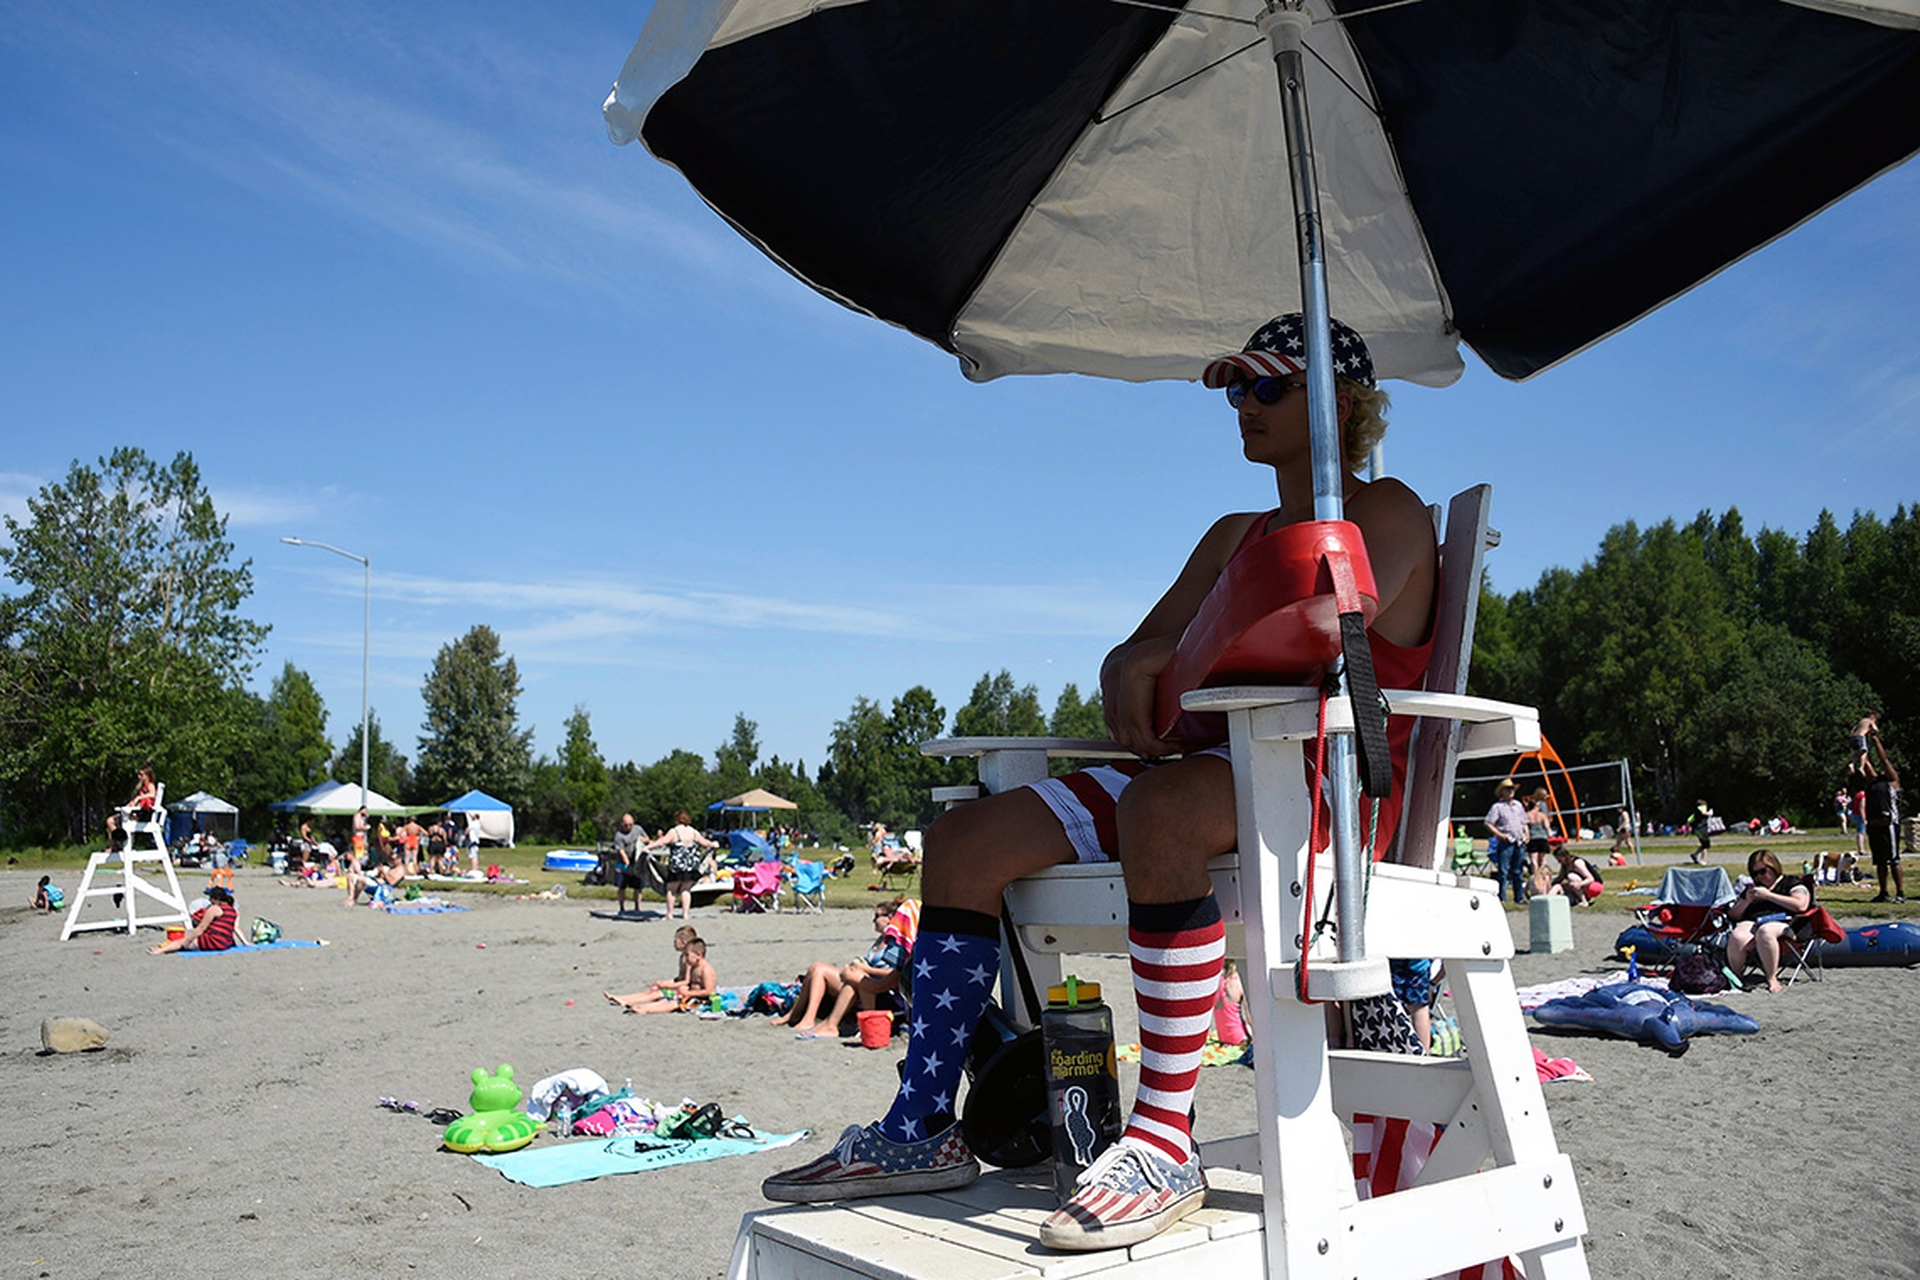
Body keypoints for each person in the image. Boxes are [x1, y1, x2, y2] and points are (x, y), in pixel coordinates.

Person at [761, 312, 1436, 1251]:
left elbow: (1322, 617)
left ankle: (1163, 1139)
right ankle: (920, 1127)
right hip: (1202, 769)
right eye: (1236, 389)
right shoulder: (1236, 531)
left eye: (1268, 388)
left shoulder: (1388, 509)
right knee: (963, 842)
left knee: (1158, 807)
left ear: (1342, 404)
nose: (1242, 405)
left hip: (1322, 784)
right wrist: (1152, 658)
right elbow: (1135, 657)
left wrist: (1175, 660)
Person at [778, 898, 913, 1038]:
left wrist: (865, 969)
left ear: (890, 918)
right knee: (816, 967)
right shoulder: (880, 940)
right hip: (865, 981)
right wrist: (859, 966)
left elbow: (893, 974)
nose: (874, 921)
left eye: (877, 916)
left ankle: (822, 1023)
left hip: (878, 991)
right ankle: (798, 1015)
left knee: (824, 971)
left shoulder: (896, 944)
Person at [1724, 850, 1814, 993]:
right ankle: (1736, 977)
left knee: (1765, 931)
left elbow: (1801, 905)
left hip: (1787, 923)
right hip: (1756, 922)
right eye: (1755, 874)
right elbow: (1733, 915)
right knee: (1738, 935)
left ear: (1774, 867)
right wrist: (1747, 900)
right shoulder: (1753, 890)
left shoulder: (1791, 883)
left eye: (1763, 871)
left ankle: (1772, 978)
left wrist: (1769, 896)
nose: (1760, 877)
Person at [605, 934, 717, 1013]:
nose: (686, 958)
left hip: (702, 1000)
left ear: (699, 954)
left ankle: (645, 1009)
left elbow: (709, 991)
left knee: (672, 1004)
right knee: (667, 999)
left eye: (688, 955)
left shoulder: (705, 969)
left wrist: (689, 993)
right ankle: (636, 1004)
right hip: (689, 995)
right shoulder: (694, 966)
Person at [646, 811, 718, 921]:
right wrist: (713, 844)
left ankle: (669, 914)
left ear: (677, 820)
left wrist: (649, 847)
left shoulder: (674, 831)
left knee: (671, 890)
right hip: (690, 865)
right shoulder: (693, 831)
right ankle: (685, 914)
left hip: (677, 866)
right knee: (686, 890)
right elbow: (705, 843)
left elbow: (662, 842)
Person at [1864, 752, 1906, 904]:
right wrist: (1861, 746)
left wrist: (1875, 739)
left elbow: (1884, 759)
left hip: (1888, 825)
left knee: (1894, 860)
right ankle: (1884, 892)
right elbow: (1866, 763)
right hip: (1874, 826)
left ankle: (1900, 893)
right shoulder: (1874, 782)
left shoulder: (1892, 782)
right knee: (1880, 862)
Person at [148, 885, 238, 954]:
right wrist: (245, 943)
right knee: (187, 943)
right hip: (226, 943)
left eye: (211, 899)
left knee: (181, 942)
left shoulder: (214, 909)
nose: (210, 901)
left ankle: (159, 950)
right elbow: (234, 928)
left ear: (216, 899)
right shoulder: (233, 910)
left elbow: (201, 928)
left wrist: (187, 940)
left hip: (214, 942)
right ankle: (165, 948)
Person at [1483, 780, 1529, 904]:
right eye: (1508, 789)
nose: (1510, 791)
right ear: (1502, 792)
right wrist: (1500, 835)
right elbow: (1488, 822)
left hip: (1519, 842)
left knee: (1518, 871)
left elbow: (1524, 822)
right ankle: (1501, 897)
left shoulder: (1518, 805)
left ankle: (1519, 897)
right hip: (1506, 842)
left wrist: (1527, 834)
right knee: (1503, 871)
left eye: (1512, 789)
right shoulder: (1497, 807)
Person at [106, 766, 159, 852]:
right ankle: (115, 843)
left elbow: (153, 794)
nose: (139, 777)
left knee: (110, 821)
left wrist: (138, 798)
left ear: (147, 775)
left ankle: (118, 842)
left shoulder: (150, 785)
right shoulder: (143, 788)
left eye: (141, 775)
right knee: (110, 822)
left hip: (140, 815)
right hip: (135, 813)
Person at [611, 813, 648, 916]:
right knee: (622, 886)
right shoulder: (619, 835)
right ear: (622, 824)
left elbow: (647, 839)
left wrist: (641, 840)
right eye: (626, 825)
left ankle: (637, 907)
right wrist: (628, 864)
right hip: (622, 863)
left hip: (636, 860)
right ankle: (622, 908)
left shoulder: (638, 829)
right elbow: (621, 851)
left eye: (630, 825)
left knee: (638, 886)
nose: (628, 827)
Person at [1523, 788, 1554, 885]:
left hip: (1533, 838)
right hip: (1542, 837)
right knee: (1543, 859)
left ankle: (1535, 877)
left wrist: (1526, 837)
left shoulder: (1527, 815)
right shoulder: (1542, 815)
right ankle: (1543, 876)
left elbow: (1525, 827)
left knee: (1533, 860)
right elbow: (1547, 826)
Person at [1689, 799, 1715, 865]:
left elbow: (1689, 820)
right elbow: (1703, 813)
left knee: (1704, 844)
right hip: (1702, 829)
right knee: (1706, 845)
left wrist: (1687, 829)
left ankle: (1695, 854)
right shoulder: (1702, 807)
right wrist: (1710, 813)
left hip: (1696, 830)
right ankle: (1703, 860)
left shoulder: (1695, 812)